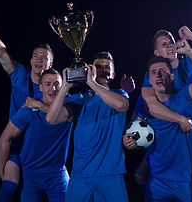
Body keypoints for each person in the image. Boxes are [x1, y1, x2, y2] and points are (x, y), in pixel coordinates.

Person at [136, 26, 192, 201]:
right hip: (172, 137)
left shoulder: (190, 62)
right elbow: (150, 105)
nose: (170, 45)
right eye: (164, 44)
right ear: (157, 52)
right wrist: (180, 119)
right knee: (143, 175)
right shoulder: (154, 74)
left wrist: (191, 37)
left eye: (171, 41)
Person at [0, 12, 54, 201]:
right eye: (35, 56)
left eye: (44, 57)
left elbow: (69, 111)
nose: (39, 59)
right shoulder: (21, 77)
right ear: (30, 61)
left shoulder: (55, 86)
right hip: (18, 144)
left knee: (65, 190)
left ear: (51, 63)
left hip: (43, 150)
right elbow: (1, 52)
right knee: (8, 186)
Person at [46, 52, 130, 202]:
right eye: (98, 66)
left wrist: (92, 83)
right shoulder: (80, 99)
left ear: (113, 74)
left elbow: (122, 105)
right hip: (80, 174)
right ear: (90, 70)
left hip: (110, 173)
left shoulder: (119, 94)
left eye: (106, 67)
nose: (103, 70)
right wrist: (65, 87)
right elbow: (52, 118)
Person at [0, 68, 72, 201]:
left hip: (56, 174)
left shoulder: (69, 106)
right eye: (48, 84)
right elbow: (5, 138)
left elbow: (64, 116)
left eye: (56, 84)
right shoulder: (29, 110)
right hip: (31, 175)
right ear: (41, 87)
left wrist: (39, 104)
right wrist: (1, 169)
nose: (53, 88)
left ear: (62, 86)